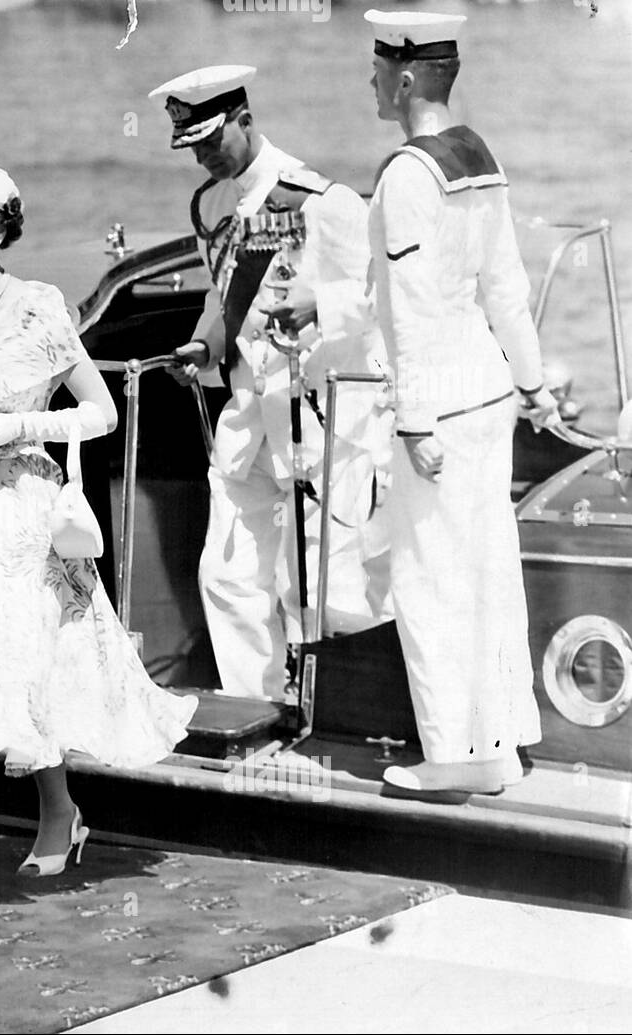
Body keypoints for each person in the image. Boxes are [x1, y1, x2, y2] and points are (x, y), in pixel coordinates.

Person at [0, 159, 198, 910]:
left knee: (24, 668)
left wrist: (19, 424)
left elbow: (101, 413)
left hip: (22, 511)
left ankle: (59, 813)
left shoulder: (39, 306)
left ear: (0, 228)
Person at [364, 10, 560, 793]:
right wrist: (533, 381)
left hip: (439, 407)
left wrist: (413, 420)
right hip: (487, 393)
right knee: (487, 572)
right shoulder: (480, 156)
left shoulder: (407, 174)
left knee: (430, 578)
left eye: (380, 70)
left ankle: (452, 755)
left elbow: (411, 309)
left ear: (408, 76)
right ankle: (498, 745)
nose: (372, 81)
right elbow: (506, 287)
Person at [153, 65, 392, 701]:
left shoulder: (320, 199)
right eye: (193, 147)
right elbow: (224, 296)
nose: (204, 157)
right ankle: (252, 709)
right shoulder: (210, 205)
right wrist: (205, 345)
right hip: (248, 420)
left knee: (323, 585)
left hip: (320, 421)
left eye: (212, 140)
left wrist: (321, 305)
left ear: (245, 120)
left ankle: (345, 712)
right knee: (226, 576)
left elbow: (383, 294)